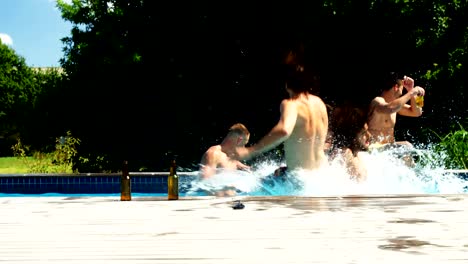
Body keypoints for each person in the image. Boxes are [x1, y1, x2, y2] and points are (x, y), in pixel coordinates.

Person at [234, 53, 329, 175]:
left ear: (286, 85)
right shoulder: (319, 103)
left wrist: (251, 150)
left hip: (299, 181)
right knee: (277, 173)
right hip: (321, 174)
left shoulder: (291, 104)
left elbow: (284, 130)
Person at [367, 72, 425, 148]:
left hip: (387, 150)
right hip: (373, 149)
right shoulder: (377, 102)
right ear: (396, 87)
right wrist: (411, 92)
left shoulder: (395, 106)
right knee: (406, 146)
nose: (401, 92)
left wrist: (415, 94)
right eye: (402, 88)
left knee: (406, 146)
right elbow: (390, 108)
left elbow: (418, 112)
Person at [329, 104, 371, 182]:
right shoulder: (345, 153)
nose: (369, 135)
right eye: (364, 133)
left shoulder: (355, 154)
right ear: (353, 134)